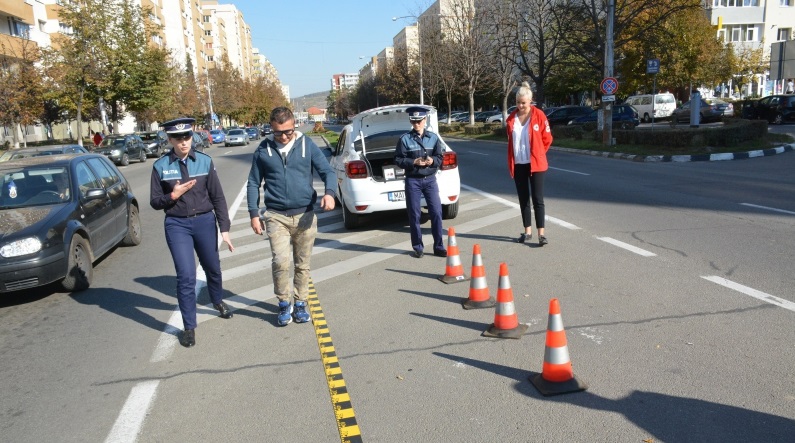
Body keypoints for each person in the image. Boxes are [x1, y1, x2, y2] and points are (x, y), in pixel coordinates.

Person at [247, 107, 336, 327]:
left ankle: (300, 303)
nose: (284, 137)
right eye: (278, 133)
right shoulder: (263, 150)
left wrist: (330, 193)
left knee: (302, 264)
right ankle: (284, 303)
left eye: (288, 131)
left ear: (294, 125)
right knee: (280, 262)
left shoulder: (307, 145)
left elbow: (327, 172)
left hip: (305, 215)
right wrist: (253, 213)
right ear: (271, 128)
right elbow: (253, 182)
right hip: (276, 216)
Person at [150, 117, 235, 348]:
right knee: (186, 276)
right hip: (177, 225)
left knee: (212, 267)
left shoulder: (205, 162)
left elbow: (218, 197)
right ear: (169, 140)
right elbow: (155, 202)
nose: (183, 141)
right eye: (177, 138)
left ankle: (217, 300)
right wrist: (173, 195)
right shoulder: (160, 166)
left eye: (187, 136)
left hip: (205, 222)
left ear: (192, 137)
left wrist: (224, 229)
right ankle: (189, 327)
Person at [394, 106, 447, 259]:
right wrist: (413, 162)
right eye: (413, 121)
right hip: (413, 180)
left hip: (430, 180)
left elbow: (440, 156)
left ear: (425, 120)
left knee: (436, 212)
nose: (416, 124)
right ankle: (418, 247)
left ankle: (439, 246)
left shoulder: (433, 137)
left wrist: (433, 161)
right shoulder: (404, 139)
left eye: (419, 121)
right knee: (414, 214)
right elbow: (398, 159)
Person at [505, 81, 553, 247]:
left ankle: (541, 234)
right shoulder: (511, 119)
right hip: (519, 163)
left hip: (536, 164)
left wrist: (538, 153)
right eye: (518, 102)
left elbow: (547, 139)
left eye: (523, 103)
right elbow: (511, 141)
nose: (520, 106)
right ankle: (527, 232)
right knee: (523, 198)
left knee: (537, 199)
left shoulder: (539, 115)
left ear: (530, 101)